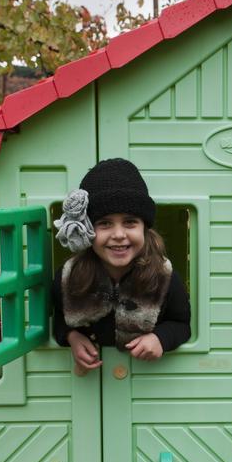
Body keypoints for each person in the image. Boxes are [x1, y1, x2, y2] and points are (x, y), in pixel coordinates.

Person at [52, 158, 191, 373]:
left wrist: (160, 338)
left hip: (146, 383)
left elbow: (182, 325)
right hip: (90, 387)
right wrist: (72, 337)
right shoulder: (69, 276)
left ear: (144, 227)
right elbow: (58, 318)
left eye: (130, 222)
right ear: (88, 230)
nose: (118, 235)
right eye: (105, 223)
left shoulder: (164, 277)